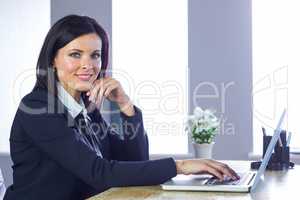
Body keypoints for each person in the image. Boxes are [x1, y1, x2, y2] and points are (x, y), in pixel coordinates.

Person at [4, 15, 239, 200]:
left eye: (95, 55)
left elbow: (135, 160)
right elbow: (100, 172)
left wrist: (125, 105)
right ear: (53, 60)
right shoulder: (37, 107)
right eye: (75, 54)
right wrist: (181, 166)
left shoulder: (86, 108)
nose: (88, 65)